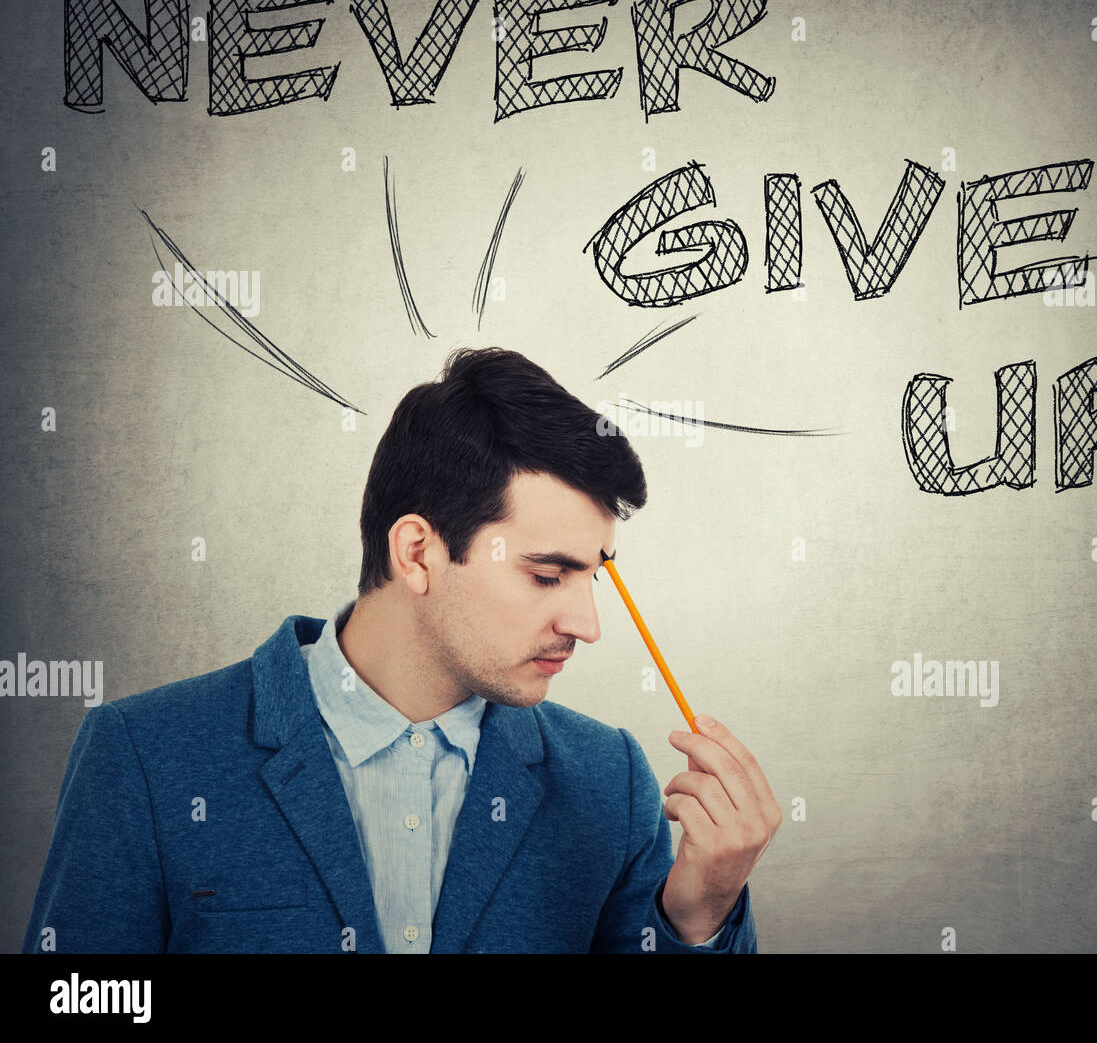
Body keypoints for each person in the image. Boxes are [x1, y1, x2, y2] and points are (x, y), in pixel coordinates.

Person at [23, 346, 780, 953]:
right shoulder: (144, 756)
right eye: (548, 574)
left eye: (594, 574)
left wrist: (699, 915)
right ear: (417, 551)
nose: (587, 623)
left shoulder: (609, 782)